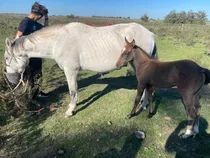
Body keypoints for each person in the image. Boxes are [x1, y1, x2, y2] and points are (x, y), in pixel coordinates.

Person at [16, 2, 49, 98]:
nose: (41, 18)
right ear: (38, 15)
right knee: (29, 77)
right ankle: (30, 97)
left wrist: (47, 17)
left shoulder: (34, 23)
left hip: (35, 54)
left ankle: (38, 93)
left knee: (37, 74)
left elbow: (45, 29)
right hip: (27, 56)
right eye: (42, 16)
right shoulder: (25, 22)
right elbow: (17, 38)